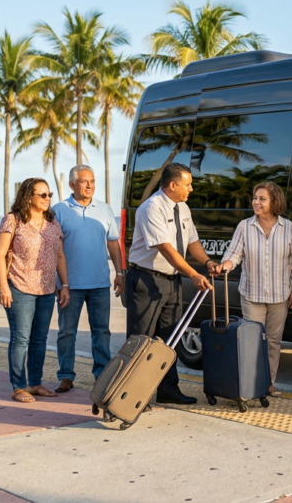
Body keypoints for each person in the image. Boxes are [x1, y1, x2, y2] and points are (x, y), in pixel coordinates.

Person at [125, 162, 215, 405]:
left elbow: (192, 241)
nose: (191, 189)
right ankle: (132, 396)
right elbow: (165, 249)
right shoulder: (151, 208)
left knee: (171, 338)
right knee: (141, 339)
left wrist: (206, 263)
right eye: (188, 184)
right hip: (146, 280)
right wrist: (193, 275)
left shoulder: (182, 207)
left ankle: (168, 390)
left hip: (171, 281)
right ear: (173, 185)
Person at [210, 182, 292, 397]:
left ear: (274, 202)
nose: (256, 202)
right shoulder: (245, 226)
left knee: (273, 341)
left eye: (262, 198)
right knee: (252, 342)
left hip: (280, 295)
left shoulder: (288, 227)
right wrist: (225, 265)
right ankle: (252, 383)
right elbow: (234, 254)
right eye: (255, 198)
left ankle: (269, 383)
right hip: (252, 295)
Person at [0, 178, 70, 403]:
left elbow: (60, 256)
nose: (48, 199)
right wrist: (4, 288)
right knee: (20, 338)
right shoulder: (12, 220)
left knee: (39, 339)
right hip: (19, 286)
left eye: (49, 195)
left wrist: (64, 285)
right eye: (42, 195)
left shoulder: (52, 223)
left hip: (46, 289)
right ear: (28, 196)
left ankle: (35, 383)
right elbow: (0, 255)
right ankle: (18, 386)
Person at [51, 165, 124, 393]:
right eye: (84, 181)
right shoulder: (58, 210)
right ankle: (65, 375)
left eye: (92, 180)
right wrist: (58, 284)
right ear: (72, 185)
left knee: (101, 331)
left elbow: (113, 243)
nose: (90, 185)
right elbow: (52, 249)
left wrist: (120, 273)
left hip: (100, 283)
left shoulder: (104, 209)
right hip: (69, 286)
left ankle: (101, 375)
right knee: (66, 332)